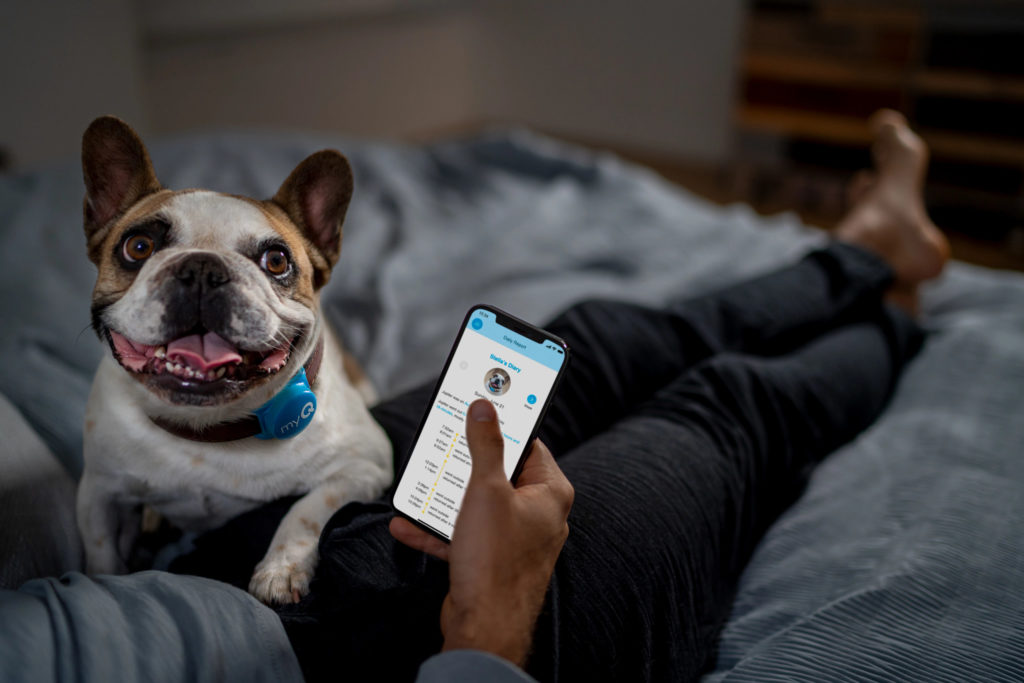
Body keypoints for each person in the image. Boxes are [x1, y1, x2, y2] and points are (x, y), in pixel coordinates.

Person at [0, 111, 949, 682]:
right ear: (102, 227)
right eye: (142, 248)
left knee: (597, 337)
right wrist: (488, 630)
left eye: (271, 262)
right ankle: (895, 305)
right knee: (723, 413)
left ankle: (863, 249)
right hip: (382, 646)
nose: (196, 282)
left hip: (276, 511)